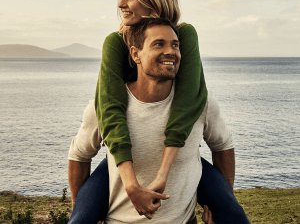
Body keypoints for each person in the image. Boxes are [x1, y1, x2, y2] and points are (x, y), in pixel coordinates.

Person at [68, 19, 250, 223]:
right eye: (158, 44)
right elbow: (79, 155)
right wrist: (80, 209)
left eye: (175, 44)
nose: (171, 51)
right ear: (135, 54)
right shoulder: (103, 108)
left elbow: (223, 145)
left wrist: (221, 206)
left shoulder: (200, 105)